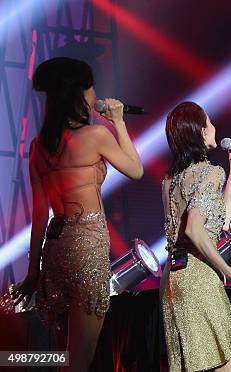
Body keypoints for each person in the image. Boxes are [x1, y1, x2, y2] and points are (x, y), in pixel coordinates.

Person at [11, 57, 144, 371]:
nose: (95, 92)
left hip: (55, 251)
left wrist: (33, 270)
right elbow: (136, 170)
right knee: (79, 361)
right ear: (79, 94)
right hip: (85, 248)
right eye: (90, 85)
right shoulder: (95, 136)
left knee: (64, 357)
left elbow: (39, 212)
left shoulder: (39, 147)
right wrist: (119, 121)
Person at [160, 101, 231, 372]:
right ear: (201, 131)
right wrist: (230, 269)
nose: (215, 127)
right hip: (199, 277)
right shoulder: (209, 173)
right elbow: (194, 228)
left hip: (173, 277)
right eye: (210, 122)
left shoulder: (169, 180)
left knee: (195, 363)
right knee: (226, 364)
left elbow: (219, 223)